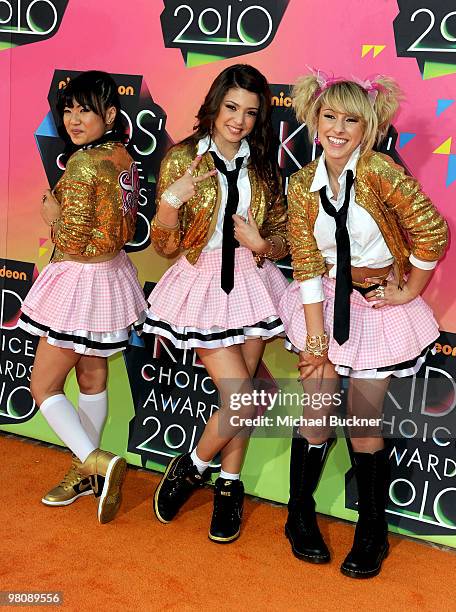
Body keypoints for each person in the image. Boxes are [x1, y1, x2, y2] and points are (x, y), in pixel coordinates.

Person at [279, 71, 448, 577]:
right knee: (316, 415)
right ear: (313, 118)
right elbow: (306, 262)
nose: (338, 129)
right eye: (329, 116)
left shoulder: (380, 172)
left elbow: (432, 231)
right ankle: (299, 516)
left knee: (361, 422)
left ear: (368, 126)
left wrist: (411, 288)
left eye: (351, 119)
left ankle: (372, 532)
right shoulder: (299, 185)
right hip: (324, 300)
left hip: (376, 307)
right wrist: (315, 339)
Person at [144, 64, 289, 543]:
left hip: (251, 281)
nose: (238, 120)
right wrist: (171, 200)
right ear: (215, 104)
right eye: (231, 108)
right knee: (244, 397)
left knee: (244, 396)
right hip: (202, 283)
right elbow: (164, 247)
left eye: (250, 112)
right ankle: (194, 468)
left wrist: (262, 243)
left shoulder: (264, 164)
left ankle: (225, 483)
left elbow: (284, 236)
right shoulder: (184, 157)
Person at [19, 71, 147, 524]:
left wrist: (54, 215)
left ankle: (94, 459)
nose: (74, 119)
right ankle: (87, 473)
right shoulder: (122, 156)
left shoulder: (83, 164)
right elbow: (126, 228)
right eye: (68, 109)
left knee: (43, 387)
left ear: (110, 114)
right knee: (92, 381)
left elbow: (71, 240)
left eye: (85, 109)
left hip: (78, 279)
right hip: (111, 275)